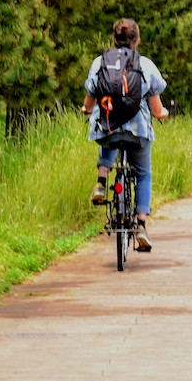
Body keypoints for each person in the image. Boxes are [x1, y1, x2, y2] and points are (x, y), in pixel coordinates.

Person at [81, 18, 170, 252]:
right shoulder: (145, 65)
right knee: (143, 174)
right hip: (138, 131)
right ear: (136, 40)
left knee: (109, 126)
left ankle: (101, 182)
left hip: (108, 128)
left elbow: (89, 98)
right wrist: (162, 114)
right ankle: (141, 225)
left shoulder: (100, 62)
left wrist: (86, 110)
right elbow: (157, 108)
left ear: (114, 39)